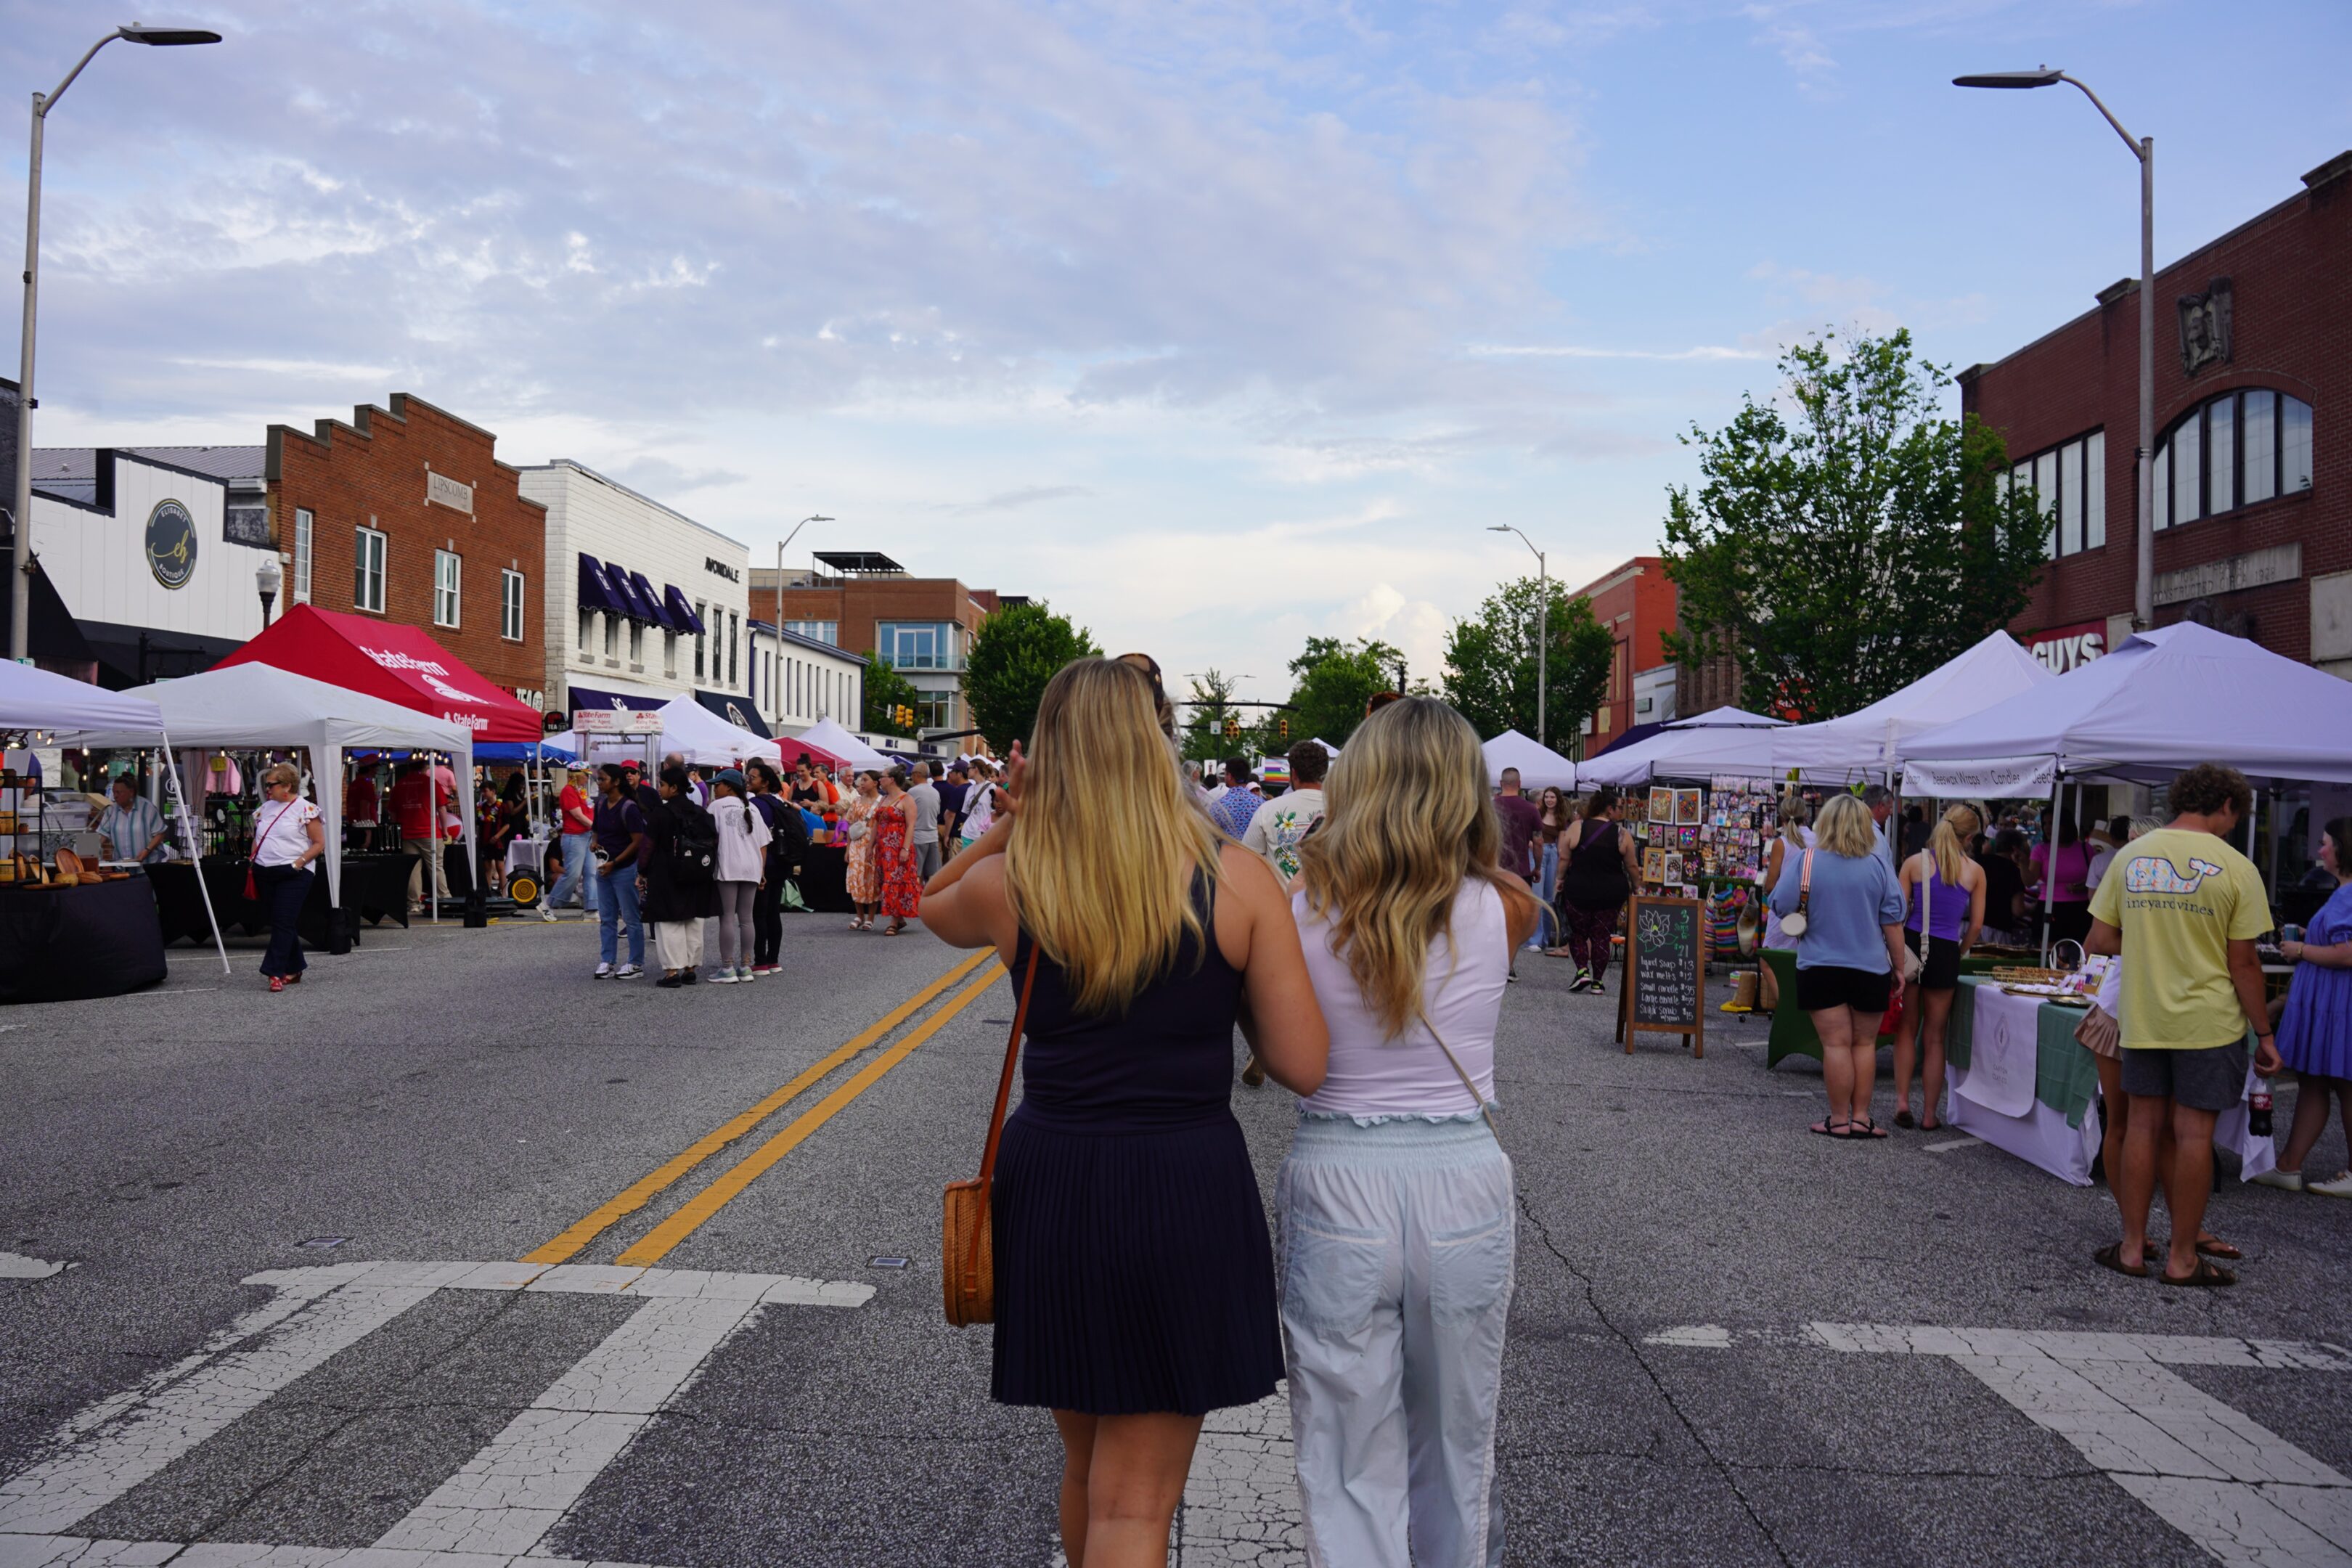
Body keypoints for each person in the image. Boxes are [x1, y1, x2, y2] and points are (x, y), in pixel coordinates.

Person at [915, 657, 1327, 1568]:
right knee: (1134, 1505)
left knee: (1086, 1468)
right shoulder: (1237, 881)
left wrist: (1011, 823)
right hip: (1183, 1181)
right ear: (1159, 741)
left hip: (1054, 1179)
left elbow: (928, 899)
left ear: (1049, 755)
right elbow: (1302, 1063)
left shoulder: (1018, 882)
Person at [1281, 695, 1537, 1567]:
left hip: (1338, 1168)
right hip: (1460, 1168)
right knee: (1459, 1441)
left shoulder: (1300, 909)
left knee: (1346, 1457)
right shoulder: (1508, 906)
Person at [2087, 764, 2280, 1286]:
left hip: (2144, 1013)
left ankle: (2131, 1247)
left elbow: (2100, 941)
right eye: (2235, 815)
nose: (2233, 824)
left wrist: (2151, 944)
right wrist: (2264, 1034)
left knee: (2141, 1127)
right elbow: (2244, 964)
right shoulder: (2237, 867)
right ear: (2227, 805)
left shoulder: (2130, 856)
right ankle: (2182, 1259)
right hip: (2208, 1022)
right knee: (2194, 1135)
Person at [1769, 793, 1906, 1139]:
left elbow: (1779, 904)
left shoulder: (1807, 861)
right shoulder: (1879, 866)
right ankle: (1861, 1118)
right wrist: (1899, 968)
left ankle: (1839, 1119)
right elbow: (1893, 922)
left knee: (1835, 1045)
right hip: (1870, 968)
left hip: (1820, 966)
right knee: (1864, 1044)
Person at [2258, 817, 2352, 1197]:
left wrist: (2300, 949)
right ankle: (2288, 1166)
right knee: (2314, 1081)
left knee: (2345, 1084)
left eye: (2326, 842)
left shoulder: (2349, 894)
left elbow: (2348, 953)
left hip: (2339, 1002)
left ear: (2342, 849)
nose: (2320, 850)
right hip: (2329, 1001)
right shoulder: (2342, 891)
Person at [1890, 805, 1987, 1132]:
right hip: (1946, 949)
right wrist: (1958, 950)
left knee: (1906, 1028)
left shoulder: (1914, 863)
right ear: (1969, 837)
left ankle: (1902, 1101)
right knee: (1934, 1037)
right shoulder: (1975, 871)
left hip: (1912, 945)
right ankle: (1930, 1115)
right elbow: (1976, 925)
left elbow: (1896, 913)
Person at [1555, 788, 1640, 995]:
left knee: (1578, 933)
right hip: (1610, 893)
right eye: (1619, 807)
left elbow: (1564, 857)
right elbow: (1632, 866)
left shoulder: (1577, 827)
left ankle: (1582, 971)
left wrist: (1559, 879)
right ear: (1609, 809)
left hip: (1579, 889)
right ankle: (1598, 983)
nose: (1621, 811)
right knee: (1602, 935)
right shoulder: (1622, 834)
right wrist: (1637, 886)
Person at [250, 763, 326, 993]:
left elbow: (319, 844)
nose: (267, 789)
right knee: (281, 921)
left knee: (283, 921)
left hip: (294, 873)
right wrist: (253, 857)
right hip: (265, 870)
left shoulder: (306, 809)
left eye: (271, 784)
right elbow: (259, 836)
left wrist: (298, 864)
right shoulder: (265, 808)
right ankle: (295, 968)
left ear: (287, 786)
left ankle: (274, 971)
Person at [642, 764, 719, 988]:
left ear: (674, 788)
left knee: (669, 922)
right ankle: (691, 969)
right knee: (693, 921)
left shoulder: (660, 814)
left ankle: (672, 972)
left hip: (667, 873)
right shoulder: (700, 812)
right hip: (698, 873)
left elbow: (648, 846)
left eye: (662, 784)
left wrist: (642, 871)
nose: (659, 789)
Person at [703, 769, 770, 984]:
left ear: (729, 787)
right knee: (747, 919)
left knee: (727, 918)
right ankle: (746, 966)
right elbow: (763, 844)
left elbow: (708, 837)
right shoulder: (751, 807)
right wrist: (761, 871)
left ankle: (727, 968)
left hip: (728, 865)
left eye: (718, 785)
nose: (715, 789)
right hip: (752, 867)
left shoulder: (716, 806)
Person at [1241, 740, 1328, 891]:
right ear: (1325, 773)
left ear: (1293, 773)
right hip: (1332, 902)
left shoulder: (1267, 810)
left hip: (1279, 902)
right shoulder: (1343, 809)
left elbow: (1247, 861)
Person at [746, 760, 804, 974]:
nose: (748, 780)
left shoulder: (755, 805)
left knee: (759, 913)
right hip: (782, 861)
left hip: (764, 863)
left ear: (765, 783)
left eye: (753, 778)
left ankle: (760, 961)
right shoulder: (780, 802)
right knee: (773, 912)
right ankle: (773, 960)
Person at [591, 764, 648, 980]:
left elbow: (638, 841)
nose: (599, 783)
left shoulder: (629, 808)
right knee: (607, 918)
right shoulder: (600, 804)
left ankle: (636, 963)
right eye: (599, 779)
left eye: (603, 779)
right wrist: (594, 842)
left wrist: (615, 862)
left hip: (624, 869)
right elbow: (596, 829)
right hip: (604, 867)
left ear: (616, 782)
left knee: (631, 918)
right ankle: (607, 961)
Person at [1757, 795, 1813, 1011]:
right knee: (1803, 961)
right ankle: (1802, 1008)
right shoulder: (1819, 840)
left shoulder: (1782, 843)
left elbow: (1771, 884)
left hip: (1785, 912)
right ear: (1806, 815)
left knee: (1768, 961)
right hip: (1812, 910)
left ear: (1781, 818)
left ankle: (1787, 1008)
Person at [2031, 812, 2095, 946]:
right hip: (2050, 906)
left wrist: (2084, 886)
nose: (2047, 827)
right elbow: (2029, 880)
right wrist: (2023, 862)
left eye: (2052, 823)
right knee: (2050, 951)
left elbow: (2095, 879)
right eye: (2045, 823)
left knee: (2080, 950)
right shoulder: (2040, 850)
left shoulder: (2086, 849)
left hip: (2080, 908)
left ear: (2066, 825)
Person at [875, 767, 923, 935]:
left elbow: (911, 825)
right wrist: (871, 846)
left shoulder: (907, 799)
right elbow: (876, 823)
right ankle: (899, 917)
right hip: (883, 848)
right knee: (886, 881)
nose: (880, 779)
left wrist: (905, 848)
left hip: (898, 847)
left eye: (882, 777)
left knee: (895, 881)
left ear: (892, 779)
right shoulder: (883, 799)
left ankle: (894, 922)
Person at [547, 767, 598, 919]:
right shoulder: (568, 791)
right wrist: (596, 827)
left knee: (591, 872)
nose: (587, 778)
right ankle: (549, 905)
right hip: (575, 836)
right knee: (573, 874)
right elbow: (577, 815)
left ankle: (592, 908)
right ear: (577, 776)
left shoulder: (581, 791)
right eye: (585, 775)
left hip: (587, 835)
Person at [1975, 828, 2033, 945]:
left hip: (1968, 924)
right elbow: (2018, 910)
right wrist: (2033, 908)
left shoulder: (1978, 862)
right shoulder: (2015, 872)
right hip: (1997, 929)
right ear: (2015, 849)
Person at [1530, 785, 1569, 955]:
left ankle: (1545, 939)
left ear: (1557, 799)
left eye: (1552, 797)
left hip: (1553, 853)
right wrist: (1531, 844)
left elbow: (1561, 844)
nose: (1549, 800)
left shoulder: (1561, 818)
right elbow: (1529, 834)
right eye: (1547, 797)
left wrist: (1562, 864)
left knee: (1548, 899)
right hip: (1538, 851)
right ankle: (1535, 939)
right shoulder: (1537, 814)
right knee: (1537, 897)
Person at [97, 775, 170, 865]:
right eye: (114, 792)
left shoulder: (147, 808)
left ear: (131, 792)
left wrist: (147, 851)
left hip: (147, 865)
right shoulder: (111, 811)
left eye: (119, 793)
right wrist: (92, 849)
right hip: (121, 866)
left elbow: (160, 833)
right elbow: (102, 835)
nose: (115, 796)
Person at [842, 772, 883, 930]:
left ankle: (871, 917)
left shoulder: (882, 802)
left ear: (875, 783)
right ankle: (859, 915)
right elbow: (850, 825)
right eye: (861, 780)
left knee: (872, 879)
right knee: (856, 878)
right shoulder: (857, 801)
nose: (862, 783)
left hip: (874, 844)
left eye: (865, 780)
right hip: (857, 843)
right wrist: (848, 849)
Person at [908, 761, 945, 883]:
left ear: (917, 774)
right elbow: (937, 812)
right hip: (932, 836)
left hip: (918, 836)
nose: (911, 777)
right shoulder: (935, 792)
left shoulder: (912, 792)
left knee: (916, 872)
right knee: (932, 873)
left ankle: (917, 895)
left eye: (912, 774)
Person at [1207, 757, 1261, 839]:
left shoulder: (1218, 807)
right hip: (1253, 847)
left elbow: (1211, 836)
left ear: (1229, 776)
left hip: (1228, 846)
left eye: (1226, 774)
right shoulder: (1261, 804)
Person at [1859, 783, 1898, 873]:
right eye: (1890, 808)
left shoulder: (1856, 828)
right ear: (1881, 806)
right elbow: (1877, 871)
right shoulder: (1874, 836)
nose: (1890, 813)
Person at [937, 763, 969, 858]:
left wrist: (947, 835)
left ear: (960, 774)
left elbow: (950, 814)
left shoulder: (959, 790)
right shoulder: (972, 788)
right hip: (970, 835)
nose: (950, 774)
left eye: (952, 771)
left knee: (957, 864)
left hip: (958, 835)